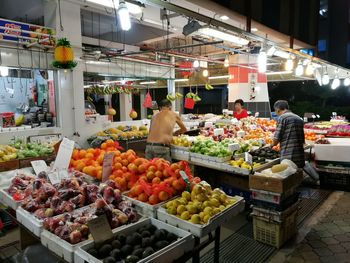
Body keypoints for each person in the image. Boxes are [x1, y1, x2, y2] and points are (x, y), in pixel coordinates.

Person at [272, 100, 305, 168]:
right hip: (300, 155)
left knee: (288, 174)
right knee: (297, 175)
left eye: (275, 111)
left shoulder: (282, 117)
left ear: (277, 110)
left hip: (288, 155)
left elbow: (276, 138)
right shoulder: (298, 118)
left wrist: (271, 145)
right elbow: (303, 139)